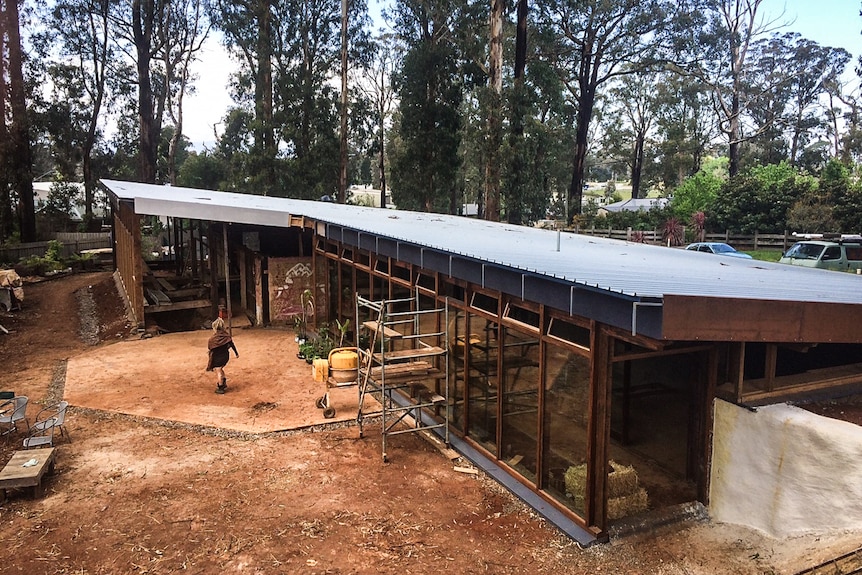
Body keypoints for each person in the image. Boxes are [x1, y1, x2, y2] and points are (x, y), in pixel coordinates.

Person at [206, 317, 239, 394]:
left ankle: (221, 387)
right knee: (220, 369)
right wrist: (236, 353)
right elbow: (232, 344)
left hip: (217, 358)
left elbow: (210, 348)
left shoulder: (213, 339)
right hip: (225, 356)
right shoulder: (226, 336)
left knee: (218, 371)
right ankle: (223, 381)